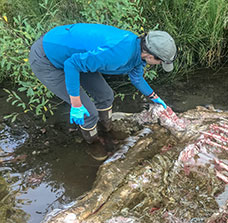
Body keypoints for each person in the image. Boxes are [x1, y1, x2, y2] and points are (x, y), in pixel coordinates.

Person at [29, 23, 177, 158]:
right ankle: (93, 143)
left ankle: (106, 130)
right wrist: (76, 104)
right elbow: (71, 64)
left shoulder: (139, 51)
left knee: (106, 95)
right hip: (48, 58)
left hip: (75, 56)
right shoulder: (118, 54)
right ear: (150, 55)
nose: (158, 64)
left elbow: (137, 78)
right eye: (160, 61)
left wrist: (154, 96)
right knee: (88, 112)